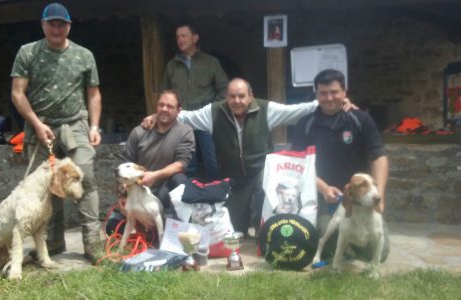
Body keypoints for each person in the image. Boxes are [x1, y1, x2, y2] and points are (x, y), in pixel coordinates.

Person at [143, 78, 355, 236]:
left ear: (250, 96)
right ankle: (245, 219)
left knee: (264, 221)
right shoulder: (213, 112)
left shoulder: (266, 109)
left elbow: (297, 111)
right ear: (226, 97)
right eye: (232, 96)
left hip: (262, 175)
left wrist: (333, 102)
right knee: (236, 230)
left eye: (241, 96)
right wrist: (157, 115)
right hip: (233, 180)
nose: (236, 101)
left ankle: (265, 227)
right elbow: (186, 116)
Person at [10, 2, 103, 263]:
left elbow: (93, 94)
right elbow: (18, 93)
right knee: (45, 187)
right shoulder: (28, 53)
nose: (56, 28)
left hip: (75, 125)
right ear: (43, 24)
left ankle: (93, 243)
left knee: (85, 178)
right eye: (51, 23)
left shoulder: (84, 55)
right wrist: (37, 124)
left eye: (61, 24)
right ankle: (52, 242)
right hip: (41, 126)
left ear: (69, 26)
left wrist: (94, 126)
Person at [290, 69, 390, 261]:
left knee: (379, 253)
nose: (329, 98)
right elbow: (299, 165)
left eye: (334, 92)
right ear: (316, 94)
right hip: (325, 198)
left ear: (344, 92)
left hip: (359, 196)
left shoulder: (360, 119)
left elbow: (379, 157)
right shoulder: (305, 124)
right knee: (329, 245)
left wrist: (379, 196)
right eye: (323, 93)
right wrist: (324, 189)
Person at [106, 90, 195, 236]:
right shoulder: (139, 132)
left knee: (180, 180)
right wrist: (122, 196)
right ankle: (145, 231)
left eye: (170, 106)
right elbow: (125, 164)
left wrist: (154, 175)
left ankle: (173, 232)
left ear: (179, 111)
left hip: (164, 192)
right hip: (138, 192)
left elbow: (181, 164)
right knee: (112, 227)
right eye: (161, 105)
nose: (164, 109)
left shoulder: (185, 132)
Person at [160, 21, 228, 181]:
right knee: (187, 164)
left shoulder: (211, 62)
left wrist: (212, 109)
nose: (180, 40)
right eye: (178, 37)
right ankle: (189, 199)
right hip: (182, 119)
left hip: (204, 119)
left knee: (212, 162)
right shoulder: (172, 65)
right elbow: (165, 92)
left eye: (184, 36)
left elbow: (224, 88)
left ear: (195, 38)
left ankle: (215, 197)